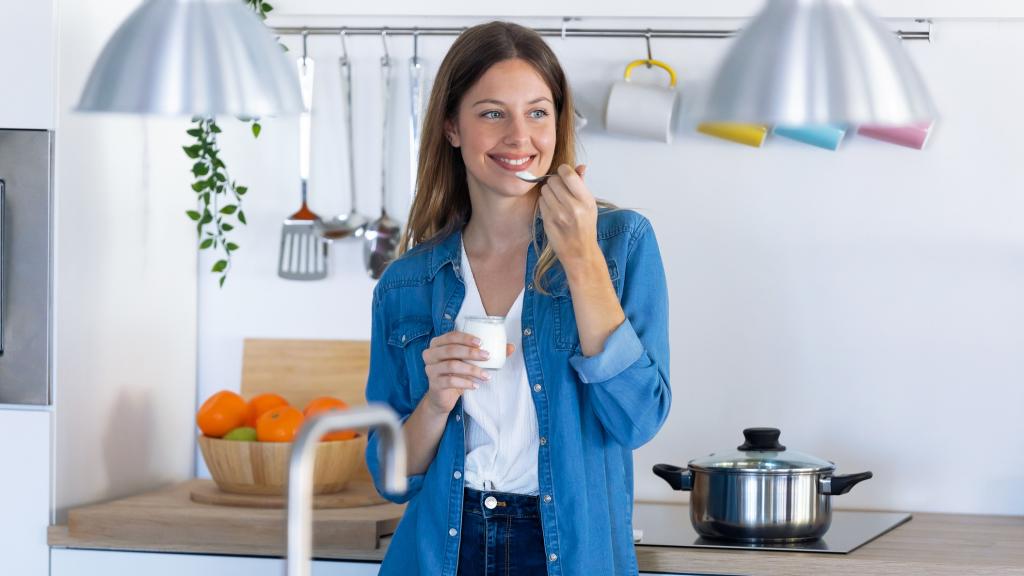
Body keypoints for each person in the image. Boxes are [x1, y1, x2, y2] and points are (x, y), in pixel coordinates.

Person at [365, 20, 671, 576]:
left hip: (568, 555)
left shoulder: (621, 243)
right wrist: (435, 403)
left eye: (537, 112)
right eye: (491, 113)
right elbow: (390, 477)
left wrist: (580, 258)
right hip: (441, 551)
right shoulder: (406, 283)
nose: (519, 137)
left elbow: (639, 420)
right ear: (452, 128)